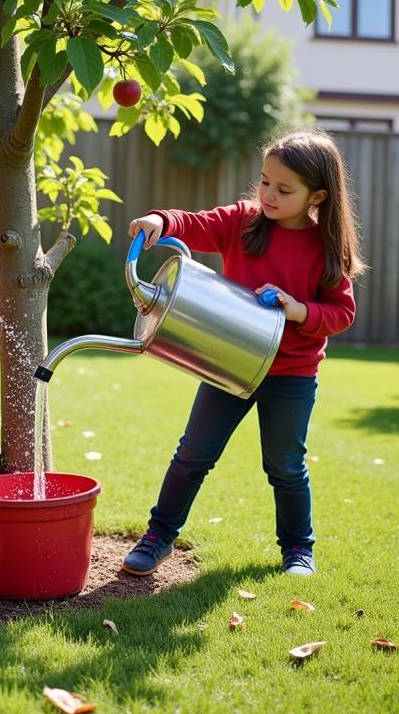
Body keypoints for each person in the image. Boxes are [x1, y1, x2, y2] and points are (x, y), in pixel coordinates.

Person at [122, 129, 364, 578]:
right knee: (193, 454)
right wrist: (161, 221)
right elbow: (195, 224)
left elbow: (341, 312)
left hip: (291, 375)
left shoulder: (326, 248)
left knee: (285, 465)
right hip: (229, 363)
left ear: (318, 196)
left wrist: (298, 310)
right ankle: (158, 537)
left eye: (283, 189)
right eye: (264, 181)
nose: (268, 194)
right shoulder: (243, 222)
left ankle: (297, 550)